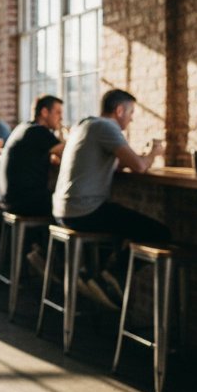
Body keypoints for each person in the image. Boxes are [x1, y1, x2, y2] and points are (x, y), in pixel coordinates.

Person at [52, 89, 170, 310]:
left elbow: (119, 163)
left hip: (63, 209)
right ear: (119, 110)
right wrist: (155, 151)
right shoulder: (107, 127)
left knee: (118, 230)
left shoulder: (84, 125)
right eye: (131, 112)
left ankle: (98, 277)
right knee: (161, 233)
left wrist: (140, 158)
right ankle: (112, 275)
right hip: (84, 210)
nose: (132, 118)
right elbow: (139, 166)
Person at [0, 94, 65, 217]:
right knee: (67, 204)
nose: (61, 118)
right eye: (58, 113)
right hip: (23, 201)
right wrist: (62, 132)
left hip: (8, 198)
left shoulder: (23, 127)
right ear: (44, 112)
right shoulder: (38, 131)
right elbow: (68, 153)